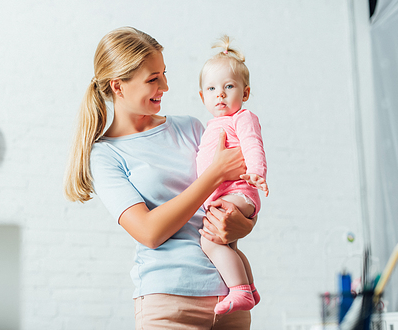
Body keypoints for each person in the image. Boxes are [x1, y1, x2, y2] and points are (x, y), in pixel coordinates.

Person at [64, 27, 256, 329]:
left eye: (163, 74)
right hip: (169, 300)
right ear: (118, 86)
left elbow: (238, 193)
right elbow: (149, 232)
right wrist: (215, 173)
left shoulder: (191, 128)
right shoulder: (104, 155)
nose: (165, 86)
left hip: (229, 294)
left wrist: (243, 222)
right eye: (153, 79)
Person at [196, 36, 268, 315]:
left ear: (245, 92)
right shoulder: (212, 124)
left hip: (239, 192)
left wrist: (256, 174)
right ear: (202, 96)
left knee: (210, 240)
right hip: (226, 194)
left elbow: (253, 145)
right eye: (212, 88)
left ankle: (239, 292)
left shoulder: (243, 117)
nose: (220, 94)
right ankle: (249, 289)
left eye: (229, 87)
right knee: (229, 246)